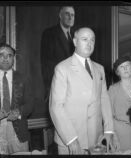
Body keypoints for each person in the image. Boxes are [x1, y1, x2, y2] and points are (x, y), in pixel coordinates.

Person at [49, 27, 116, 155]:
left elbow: (104, 99)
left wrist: (108, 130)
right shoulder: (62, 68)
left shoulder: (99, 69)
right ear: (75, 42)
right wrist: (71, 139)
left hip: (96, 137)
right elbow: (56, 107)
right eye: (84, 39)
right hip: (72, 138)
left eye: (92, 40)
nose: (89, 43)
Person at [0, 43, 34, 154]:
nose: (6, 58)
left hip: (18, 133)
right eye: (1, 55)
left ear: (13, 58)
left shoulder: (23, 78)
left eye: (9, 55)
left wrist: (19, 112)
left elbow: (30, 103)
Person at [40, 6, 75, 102]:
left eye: (72, 15)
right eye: (67, 14)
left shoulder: (76, 35)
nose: (70, 17)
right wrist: (49, 87)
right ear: (60, 15)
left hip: (75, 87)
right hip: (58, 85)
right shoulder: (49, 33)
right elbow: (46, 64)